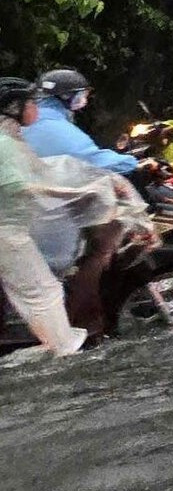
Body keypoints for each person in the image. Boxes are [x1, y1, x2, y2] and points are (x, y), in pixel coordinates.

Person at [0, 79, 89, 357]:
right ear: (16, 107)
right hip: (7, 234)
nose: (36, 109)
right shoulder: (3, 141)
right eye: (31, 103)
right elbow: (18, 185)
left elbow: (42, 169)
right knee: (42, 293)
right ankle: (64, 354)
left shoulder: (12, 137)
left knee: (40, 290)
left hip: (14, 230)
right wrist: (72, 193)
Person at [23, 69, 138, 175]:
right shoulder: (57, 127)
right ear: (66, 96)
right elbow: (93, 160)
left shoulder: (28, 117)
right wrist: (133, 163)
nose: (84, 100)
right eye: (81, 95)